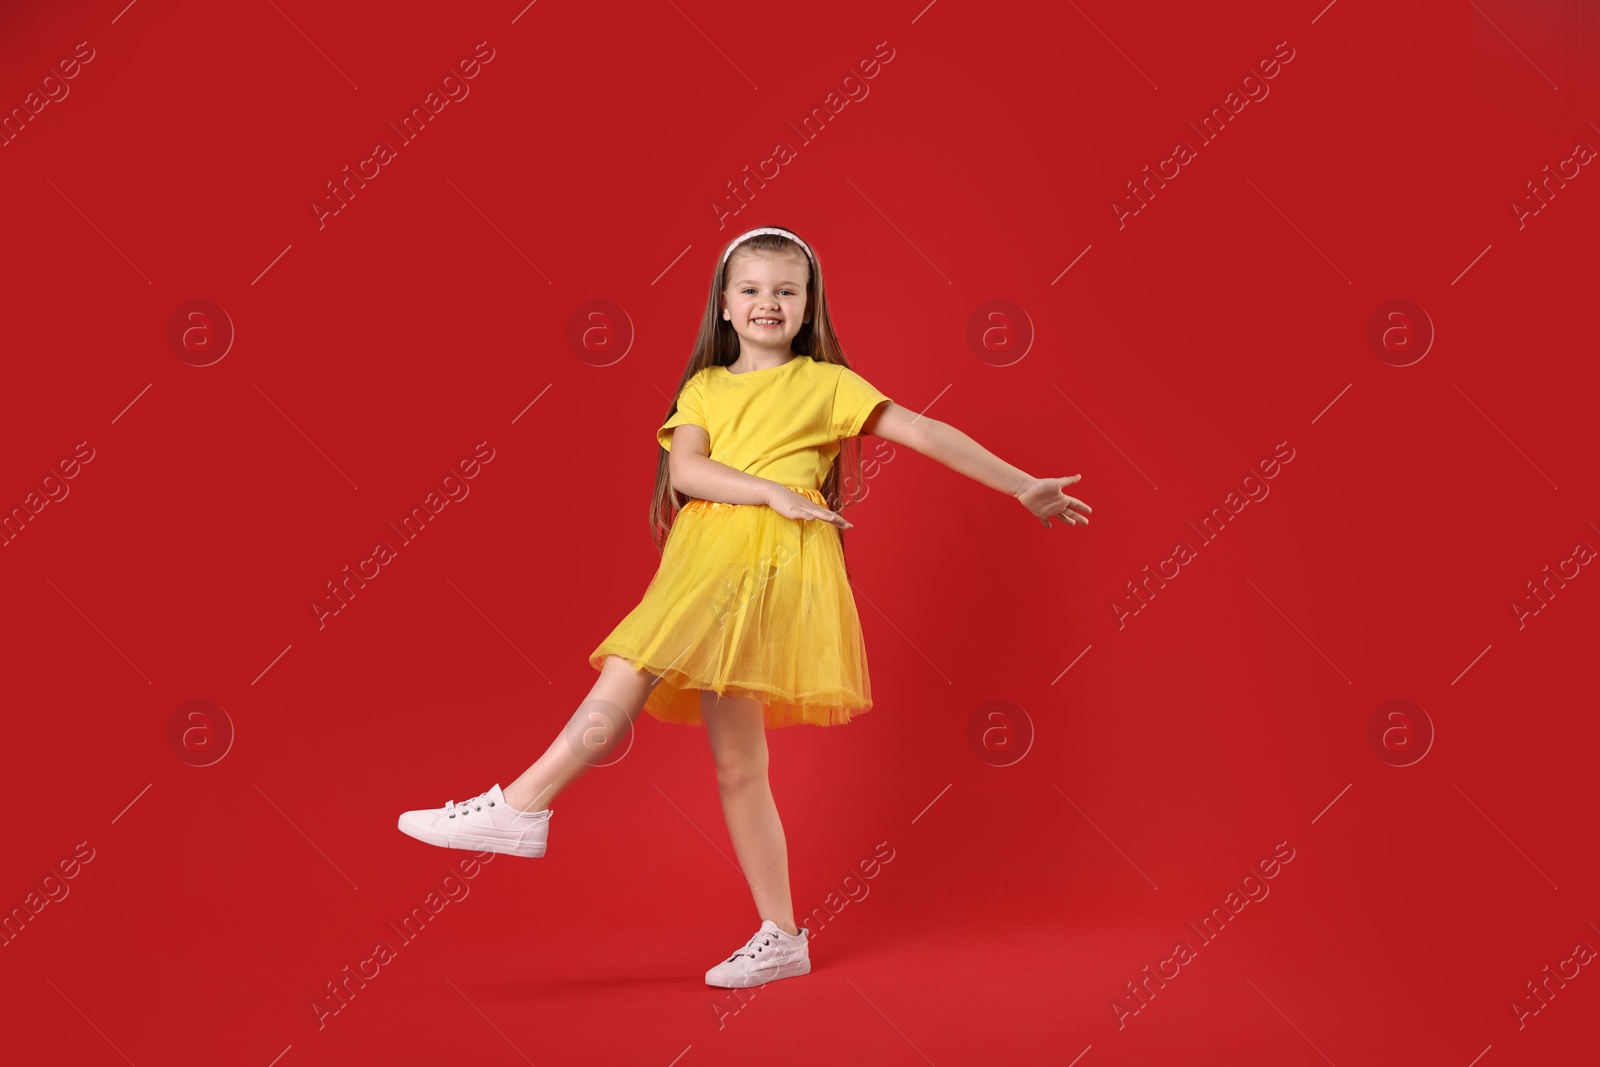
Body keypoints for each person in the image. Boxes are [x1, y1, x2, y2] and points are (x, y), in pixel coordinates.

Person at [398, 224, 1092, 988]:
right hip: (709, 551)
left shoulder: (828, 384)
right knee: (737, 764)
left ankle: (524, 805)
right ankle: (783, 935)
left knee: (633, 661)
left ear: (807, 306)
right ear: (725, 305)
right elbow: (689, 471)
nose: (769, 302)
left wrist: (1020, 482)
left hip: (769, 560)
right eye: (753, 289)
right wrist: (768, 488)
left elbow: (924, 430)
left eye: (786, 291)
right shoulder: (704, 387)